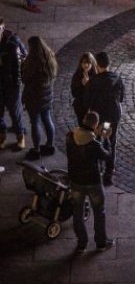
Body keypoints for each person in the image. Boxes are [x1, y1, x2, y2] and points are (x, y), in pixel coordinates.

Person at [66, 110, 114, 252]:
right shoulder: (94, 144)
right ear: (96, 125)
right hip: (93, 182)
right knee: (99, 212)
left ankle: (81, 244)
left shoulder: (70, 136)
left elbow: (84, 140)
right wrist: (105, 138)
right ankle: (101, 242)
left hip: (75, 181)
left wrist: (96, 136)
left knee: (77, 213)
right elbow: (106, 155)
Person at [84, 52, 124, 186]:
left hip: (101, 117)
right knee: (111, 141)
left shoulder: (94, 81)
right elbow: (122, 98)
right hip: (113, 114)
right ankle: (109, 170)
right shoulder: (117, 78)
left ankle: (100, 167)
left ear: (97, 65)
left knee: (99, 140)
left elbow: (87, 101)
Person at [21, 35, 57, 160]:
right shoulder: (49, 57)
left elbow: (25, 79)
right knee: (47, 119)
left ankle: (36, 150)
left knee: (35, 123)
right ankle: (50, 145)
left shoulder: (32, 62)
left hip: (34, 98)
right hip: (46, 96)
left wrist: (23, 64)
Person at [0, 19, 27, 150]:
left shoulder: (13, 41)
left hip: (12, 83)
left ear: (3, 27)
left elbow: (24, 55)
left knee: (14, 111)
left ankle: (20, 136)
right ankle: (2, 136)